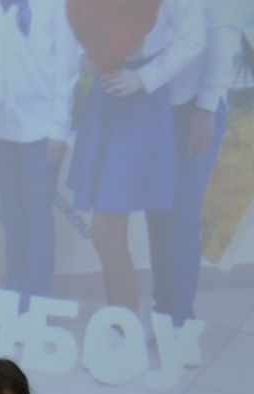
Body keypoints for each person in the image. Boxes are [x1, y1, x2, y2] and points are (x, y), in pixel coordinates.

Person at [65, 0, 203, 314]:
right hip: (105, 92)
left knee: (107, 227)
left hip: (140, 101)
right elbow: (76, 20)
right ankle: (121, 320)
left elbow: (193, 38)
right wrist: (84, 57)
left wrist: (144, 78)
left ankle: (125, 323)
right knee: (106, 230)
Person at [0, 0, 78, 307]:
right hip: (0, 128)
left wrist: (59, 129)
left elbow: (67, 69)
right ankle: (14, 292)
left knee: (37, 218)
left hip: (41, 131)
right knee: (13, 216)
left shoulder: (53, 7)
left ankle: (36, 301)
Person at [148, 0, 236, 324]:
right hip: (156, 108)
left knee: (182, 215)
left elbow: (222, 37)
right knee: (157, 212)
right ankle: (163, 311)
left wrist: (207, 107)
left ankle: (180, 319)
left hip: (197, 110)